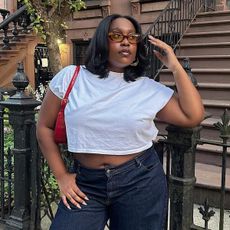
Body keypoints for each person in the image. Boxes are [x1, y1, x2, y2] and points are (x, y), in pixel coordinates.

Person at [36, 14, 204, 230]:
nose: (126, 41)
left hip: (139, 181)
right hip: (86, 183)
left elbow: (193, 116)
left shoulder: (147, 87)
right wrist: (61, 177)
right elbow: (44, 127)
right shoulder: (71, 77)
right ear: (102, 41)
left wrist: (174, 65)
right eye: (117, 35)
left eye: (132, 37)